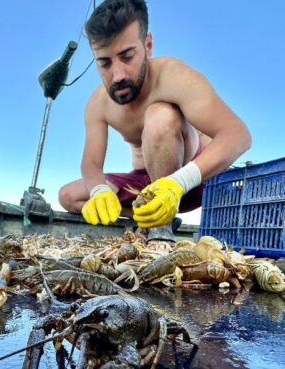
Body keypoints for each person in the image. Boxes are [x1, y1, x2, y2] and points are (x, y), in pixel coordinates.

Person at [58, 0, 251, 240]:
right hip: (143, 184)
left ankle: (162, 228)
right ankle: (148, 216)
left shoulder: (175, 76)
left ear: (147, 45)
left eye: (127, 57)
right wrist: (98, 191)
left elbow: (238, 135)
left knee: (160, 116)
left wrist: (177, 183)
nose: (117, 76)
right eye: (105, 63)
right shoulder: (97, 104)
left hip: (189, 182)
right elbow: (91, 165)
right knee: (69, 195)